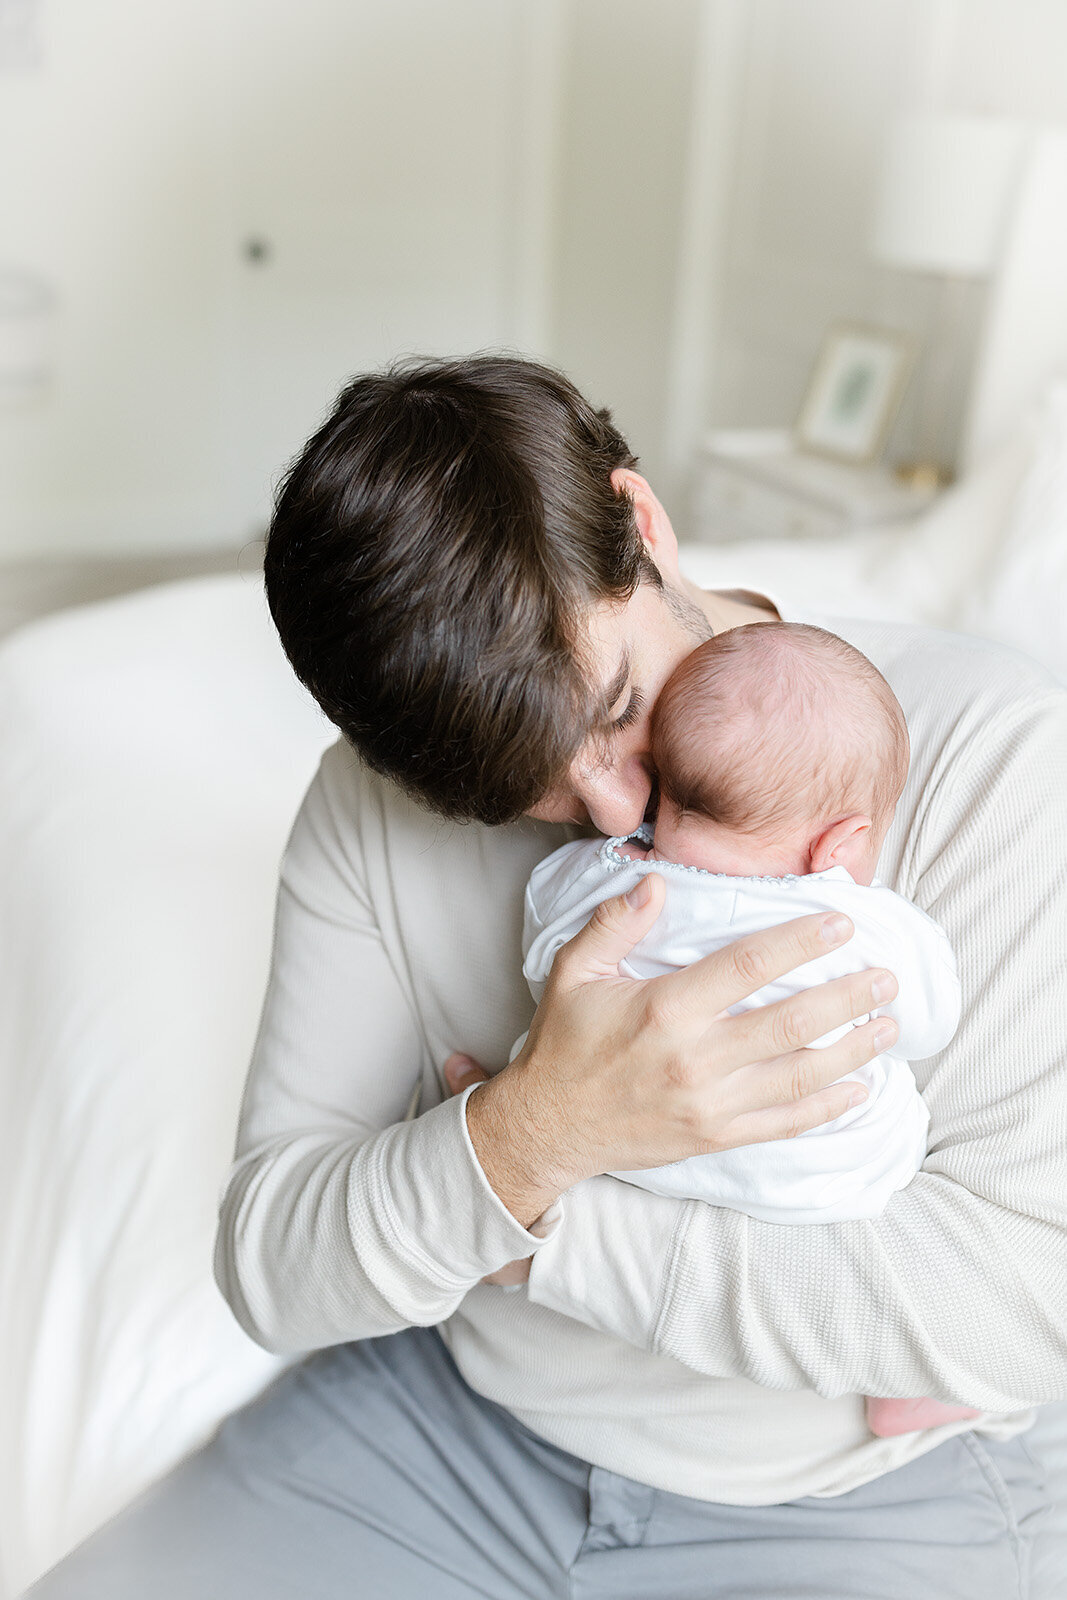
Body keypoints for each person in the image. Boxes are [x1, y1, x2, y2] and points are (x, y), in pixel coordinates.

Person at [26, 356, 1064, 1599]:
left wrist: (537, 1228)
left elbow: (1022, 1306)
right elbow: (275, 1260)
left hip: (847, 1498)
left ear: (639, 524)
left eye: (619, 701)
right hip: (450, 1437)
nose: (623, 809)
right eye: (528, 793)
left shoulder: (990, 760)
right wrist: (529, 1132)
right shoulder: (370, 809)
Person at [520, 619, 978, 1439]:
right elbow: (931, 1019)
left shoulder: (605, 880)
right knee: (892, 1109)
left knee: (546, 1045)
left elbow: (540, 955)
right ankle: (905, 1383)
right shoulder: (851, 919)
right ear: (841, 840)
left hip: (632, 1164)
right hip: (822, 1179)